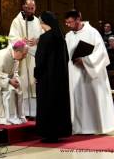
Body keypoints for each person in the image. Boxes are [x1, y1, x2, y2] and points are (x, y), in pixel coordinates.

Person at [64, 10, 114, 134]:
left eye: (70, 22)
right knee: (78, 100)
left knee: (91, 101)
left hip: (91, 75)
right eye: (66, 23)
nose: (68, 25)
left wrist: (85, 60)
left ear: (78, 19)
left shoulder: (92, 33)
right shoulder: (68, 36)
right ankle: (78, 127)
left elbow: (101, 53)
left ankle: (94, 127)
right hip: (74, 73)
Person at [34, 11, 72, 142]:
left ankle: (48, 133)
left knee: (47, 104)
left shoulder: (45, 38)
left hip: (47, 79)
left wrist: (37, 74)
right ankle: (59, 131)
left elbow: (40, 60)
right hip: (60, 78)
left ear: (43, 22)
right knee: (59, 104)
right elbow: (67, 58)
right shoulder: (60, 37)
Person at [8, 0, 43, 117]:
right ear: (23, 7)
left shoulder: (38, 21)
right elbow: (12, 37)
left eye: (32, 8)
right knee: (23, 81)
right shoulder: (17, 22)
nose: (30, 11)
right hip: (22, 56)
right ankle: (23, 112)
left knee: (33, 82)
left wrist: (38, 40)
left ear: (35, 8)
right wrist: (21, 41)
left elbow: (43, 37)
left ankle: (34, 112)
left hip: (34, 57)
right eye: (27, 8)